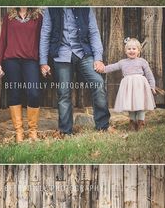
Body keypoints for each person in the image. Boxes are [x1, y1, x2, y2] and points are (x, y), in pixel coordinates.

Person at [39, 7, 111, 135]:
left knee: (98, 83)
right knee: (64, 92)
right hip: (61, 54)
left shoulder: (85, 9)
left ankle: (103, 127)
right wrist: (43, 62)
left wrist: (98, 58)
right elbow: (45, 34)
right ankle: (66, 132)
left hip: (83, 53)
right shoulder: (51, 9)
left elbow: (93, 33)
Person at [0, 8, 43, 143]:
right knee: (14, 93)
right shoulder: (9, 17)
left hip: (31, 61)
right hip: (11, 61)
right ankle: (19, 131)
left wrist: (43, 62)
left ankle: (33, 130)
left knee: (34, 93)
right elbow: (3, 40)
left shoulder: (38, 17)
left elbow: (42, 40)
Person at [96, 37, 156, 131]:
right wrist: (102, 68)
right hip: (129, 87)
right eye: (129, 49)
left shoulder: (142, 62)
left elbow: (149, 74)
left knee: (140, 105)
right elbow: (112, 67)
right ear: (125, 51)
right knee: (130, 105)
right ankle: (132, 122)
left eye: (134, 49)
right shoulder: (122, 62)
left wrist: (152, 86)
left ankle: (140, 122)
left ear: (138, 50)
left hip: (140, 86)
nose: (131, 51)